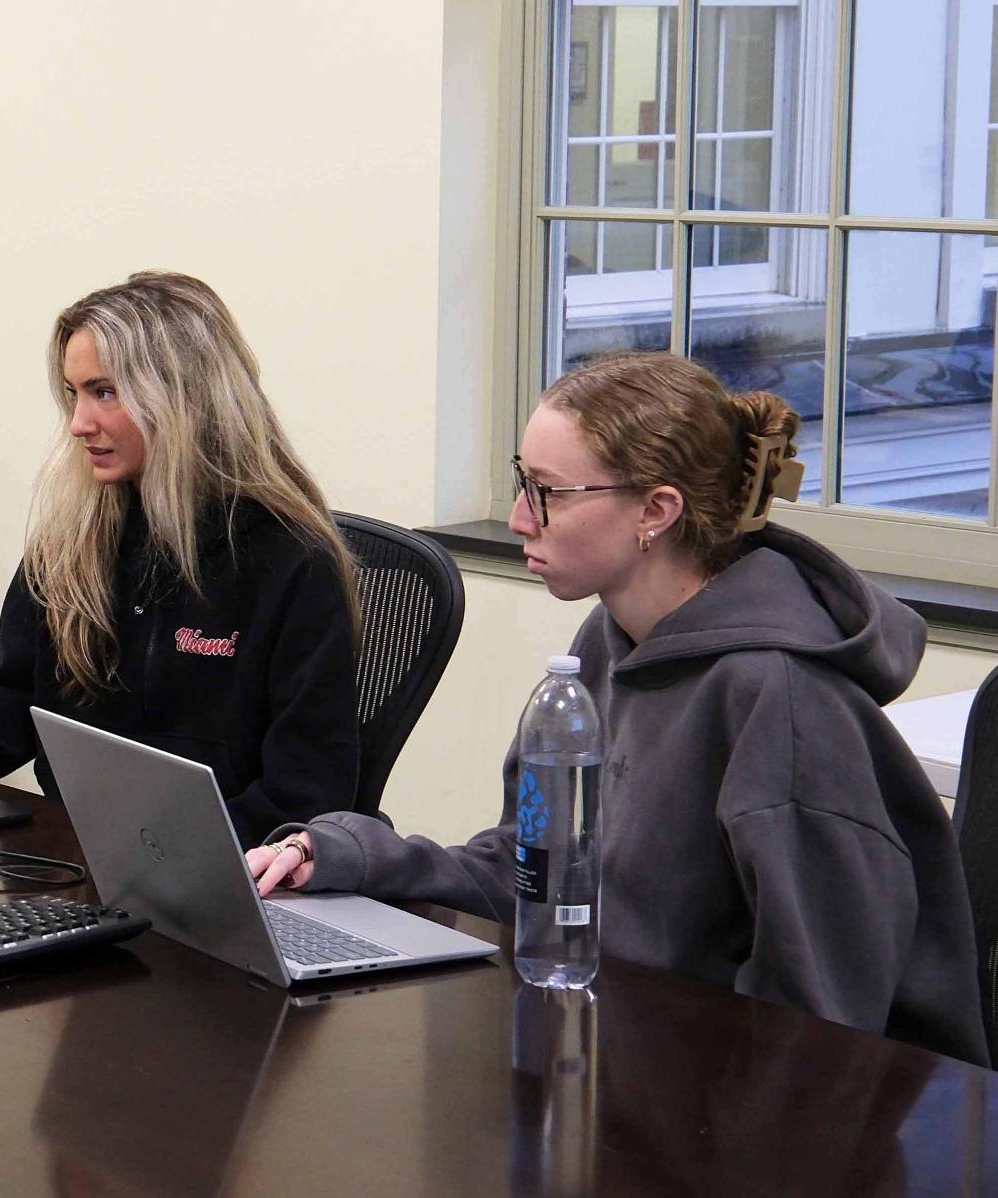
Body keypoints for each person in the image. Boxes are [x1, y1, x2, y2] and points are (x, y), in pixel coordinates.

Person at [248, 351, 986, 1066]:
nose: (516, 518)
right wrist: (346, 853)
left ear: (657, 511)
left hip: (748, 1121)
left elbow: (821, 1028)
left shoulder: (779, 698)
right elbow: (533, 871)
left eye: (548, 492)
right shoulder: (610, 644)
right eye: (520, 483)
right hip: (625, 1061)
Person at [0, 272, 359, 844]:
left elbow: (307, 794)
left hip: (222, 874)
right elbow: (11, 699)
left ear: (184, 395)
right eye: (74, 393)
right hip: (85, 855)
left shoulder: (292, 563)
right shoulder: (75, 542)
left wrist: (155, 845)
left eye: (104, 392)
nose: (80, 423)